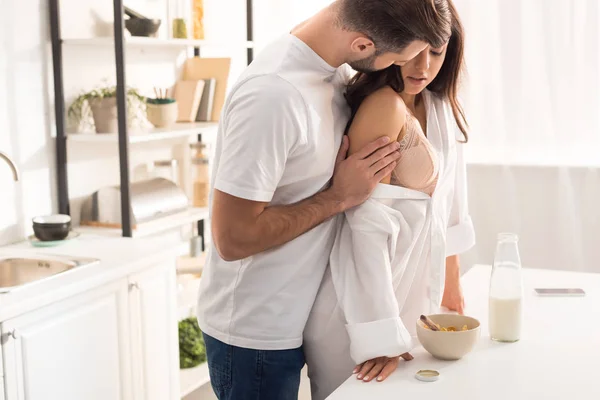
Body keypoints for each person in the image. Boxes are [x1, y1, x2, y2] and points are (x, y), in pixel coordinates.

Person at [196, 0, 455, 399]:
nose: (414, 69)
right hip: (257, 332)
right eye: (403, 58)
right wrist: (337, 198)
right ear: (364, 46)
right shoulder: (273, 95)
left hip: (305, 313)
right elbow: (232, 238)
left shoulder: (328, 71)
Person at [303, 1, 476, 398]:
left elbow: (450, 207)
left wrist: (453, 291)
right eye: (413, 50)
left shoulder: (439, 106)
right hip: (361, 310)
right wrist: (378, 335)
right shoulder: (384, 107)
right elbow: (361, 229)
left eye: (436, 51)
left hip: (413, 299)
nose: (423, 66)